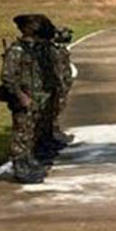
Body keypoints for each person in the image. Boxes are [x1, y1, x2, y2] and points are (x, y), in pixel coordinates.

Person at [0, 13, 54, 184]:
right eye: (34, 25)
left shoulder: (35, 49)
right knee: (21, 134)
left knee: (31, 132)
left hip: (37, 98)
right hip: (24, 98)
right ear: (27, 29)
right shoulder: (17, 50)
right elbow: (7, 77)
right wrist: (21, 96)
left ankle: (28, 161)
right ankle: (20, 168)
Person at [36, 25, 75, 161]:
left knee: (55, 110)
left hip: (59, 84)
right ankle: (45, 140)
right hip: (51, 86)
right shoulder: (48, 50)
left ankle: (52, 135)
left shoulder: (58, 49)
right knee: (48, 113)